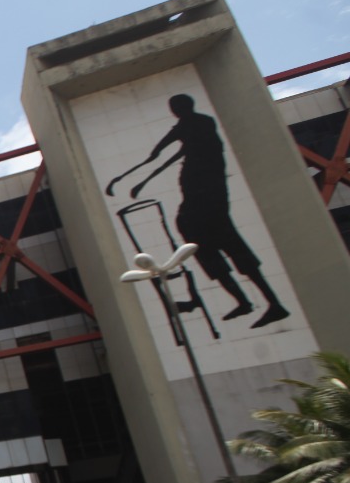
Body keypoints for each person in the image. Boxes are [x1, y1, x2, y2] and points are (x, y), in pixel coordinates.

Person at [106, 94, 289, 329]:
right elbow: (162, 152)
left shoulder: (196, 126)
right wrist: (141, 177)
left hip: (207, 198)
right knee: (204, 243)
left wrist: (142, 179)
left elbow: (167, 152)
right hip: (201, 198)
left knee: (222, 243)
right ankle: (246, 301)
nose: (174, 111)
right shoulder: (195, 125)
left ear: (180, 108)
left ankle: (270, 303)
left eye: (175, 107)